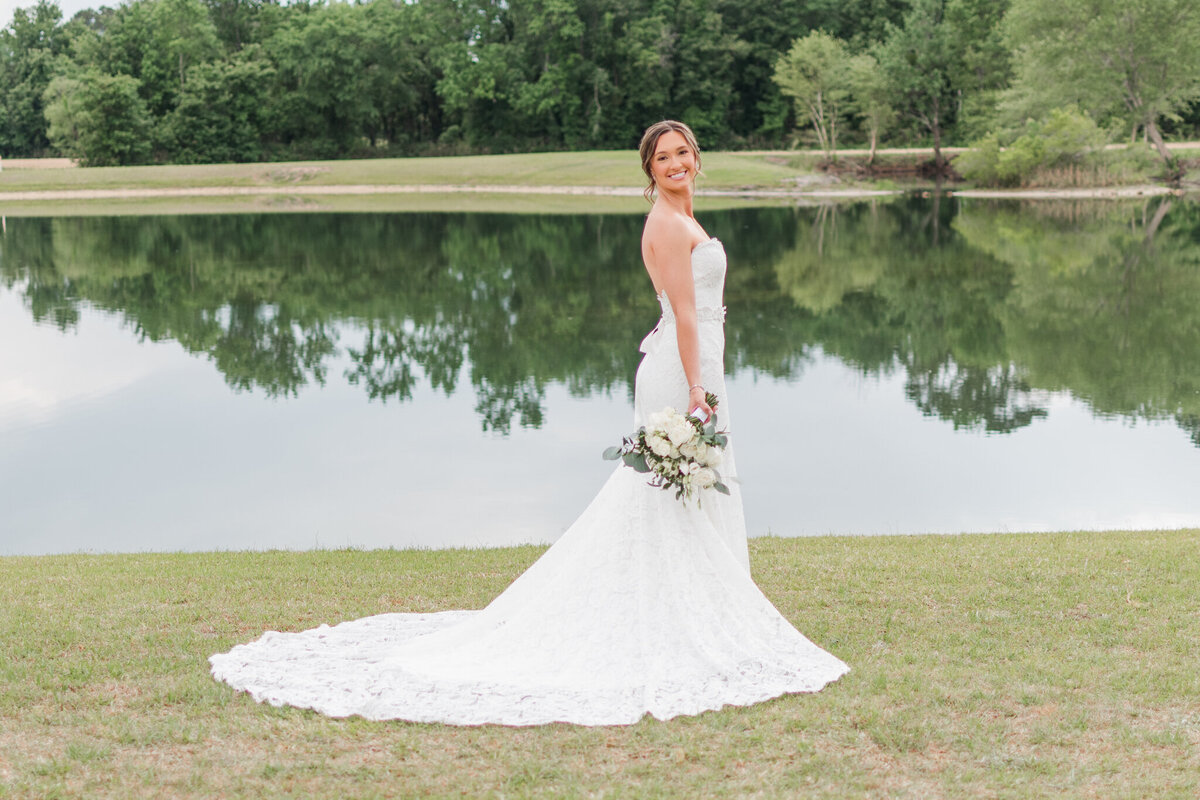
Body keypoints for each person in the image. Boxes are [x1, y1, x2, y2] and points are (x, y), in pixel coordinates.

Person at [209, 120, 849, 726]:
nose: (677, 163)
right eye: (664, 158)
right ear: (649, 171)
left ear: (696, 157)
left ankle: (702, 610)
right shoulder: (665, 223)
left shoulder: (683, 216)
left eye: (683, 152)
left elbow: (687, 310)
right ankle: (672, 618)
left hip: (693, 362)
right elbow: (683, 312)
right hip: (686, 373)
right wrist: (698, 392)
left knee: (686, 492)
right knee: (659, 493)